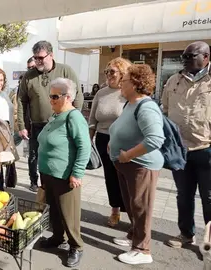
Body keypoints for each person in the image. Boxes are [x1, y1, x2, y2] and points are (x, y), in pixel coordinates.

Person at [109, 64, 165, 265]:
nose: (121, 85)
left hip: (142, 165)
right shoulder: (130, 103)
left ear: (135, 83)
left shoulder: (146, 106)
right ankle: (133, 235)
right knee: (132, 205)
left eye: (124, 81)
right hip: (126, 165)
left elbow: (155, 139)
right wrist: (112, 143)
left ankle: (142, 250)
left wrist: (129, 154)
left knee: (142, 207)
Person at [162, 41, 211, 248]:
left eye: (190, 56)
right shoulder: (174, 80)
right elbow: (164, 109)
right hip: (180, 150)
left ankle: (209, 239)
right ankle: (186, 234)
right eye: (184, 56)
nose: (185, 60)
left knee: (209, 198)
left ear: (206, 57)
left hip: (206, 148)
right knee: (184, 195)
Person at [17, 41, 84, 192]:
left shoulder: (66, 71)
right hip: (37, 124)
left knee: (57, 155)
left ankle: (59, 184)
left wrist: (74, 117)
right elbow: (21, 101)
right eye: (35, 58)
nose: (37, 61)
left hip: (61, 125)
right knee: (34, 156)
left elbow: (77, 96)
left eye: (40, 58)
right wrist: (22, 126)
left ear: (51, 55)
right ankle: (37, 183)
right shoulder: (29, 76)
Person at [38, 78, 91, 268]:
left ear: (68, 97)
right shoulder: (55, 116)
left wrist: (77, 173)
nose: (50, 100)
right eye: (49, 95)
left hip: (65, 175)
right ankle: (57, 238)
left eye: (54, 96)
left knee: (69, 214)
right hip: (48, 174)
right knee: (54, 211)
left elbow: (84, 147)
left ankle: (76, 246)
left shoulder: (73, 117)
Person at [88, 57, 130, 227]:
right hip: (102, 139)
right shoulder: (101, 92)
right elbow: (92, 119)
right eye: (107, 71)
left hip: (122, 141)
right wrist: (89, 139)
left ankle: (132, 213)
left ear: (122, 73)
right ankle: (115, 209)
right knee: (110, 177)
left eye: (112, 71)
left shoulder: (128, 92)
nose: (109, 75)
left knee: (125, 178)